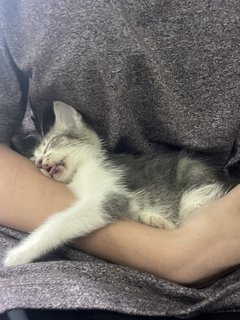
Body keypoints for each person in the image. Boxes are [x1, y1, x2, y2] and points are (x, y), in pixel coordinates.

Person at [0, 0, 240, 319]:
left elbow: (102, 205)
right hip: (58, 278)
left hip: (221, 257)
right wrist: (172, 254)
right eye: (39, 158)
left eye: (49, 148)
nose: (42, 161)